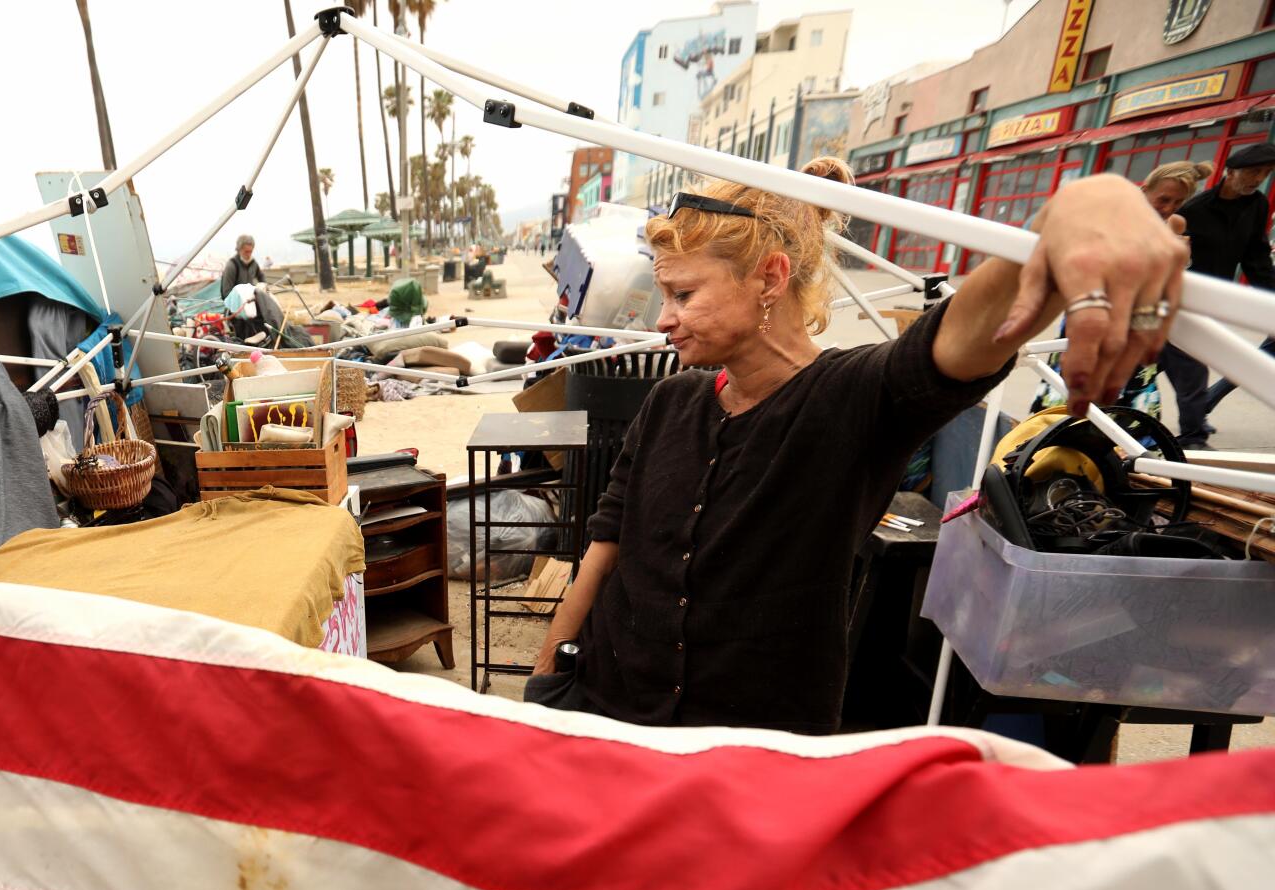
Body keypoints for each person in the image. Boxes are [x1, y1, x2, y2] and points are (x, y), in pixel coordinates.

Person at [528, 157, 1189, 734]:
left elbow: (954, 343)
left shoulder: (852, 399)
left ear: (770, 277)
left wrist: (1073, 210)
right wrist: (551, 670)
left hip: (753, 754)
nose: (663, 317)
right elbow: (606, 542)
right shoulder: (671, 402)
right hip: (605, 709)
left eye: (683, 293)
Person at [1030, 159, 1208, 417]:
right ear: (1144, 189)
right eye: (1163, 199)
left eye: (1178, 202)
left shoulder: (1175, 225)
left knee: (1132, 391)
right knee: (1071, 389)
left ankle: (1118, 451)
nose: (1168, 208)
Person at [1156, 142, 1275, 446]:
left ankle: (1193, 424)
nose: (1257, 178)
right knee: (1180, 367)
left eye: (1265, 172)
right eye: (1251, 172)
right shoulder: (1193, 209)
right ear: (1230, 172)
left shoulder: (1258, 205)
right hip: (1177, 300)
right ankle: (1192, 434)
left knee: (1184, 366)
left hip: (1214, 303)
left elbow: (1256, 257)